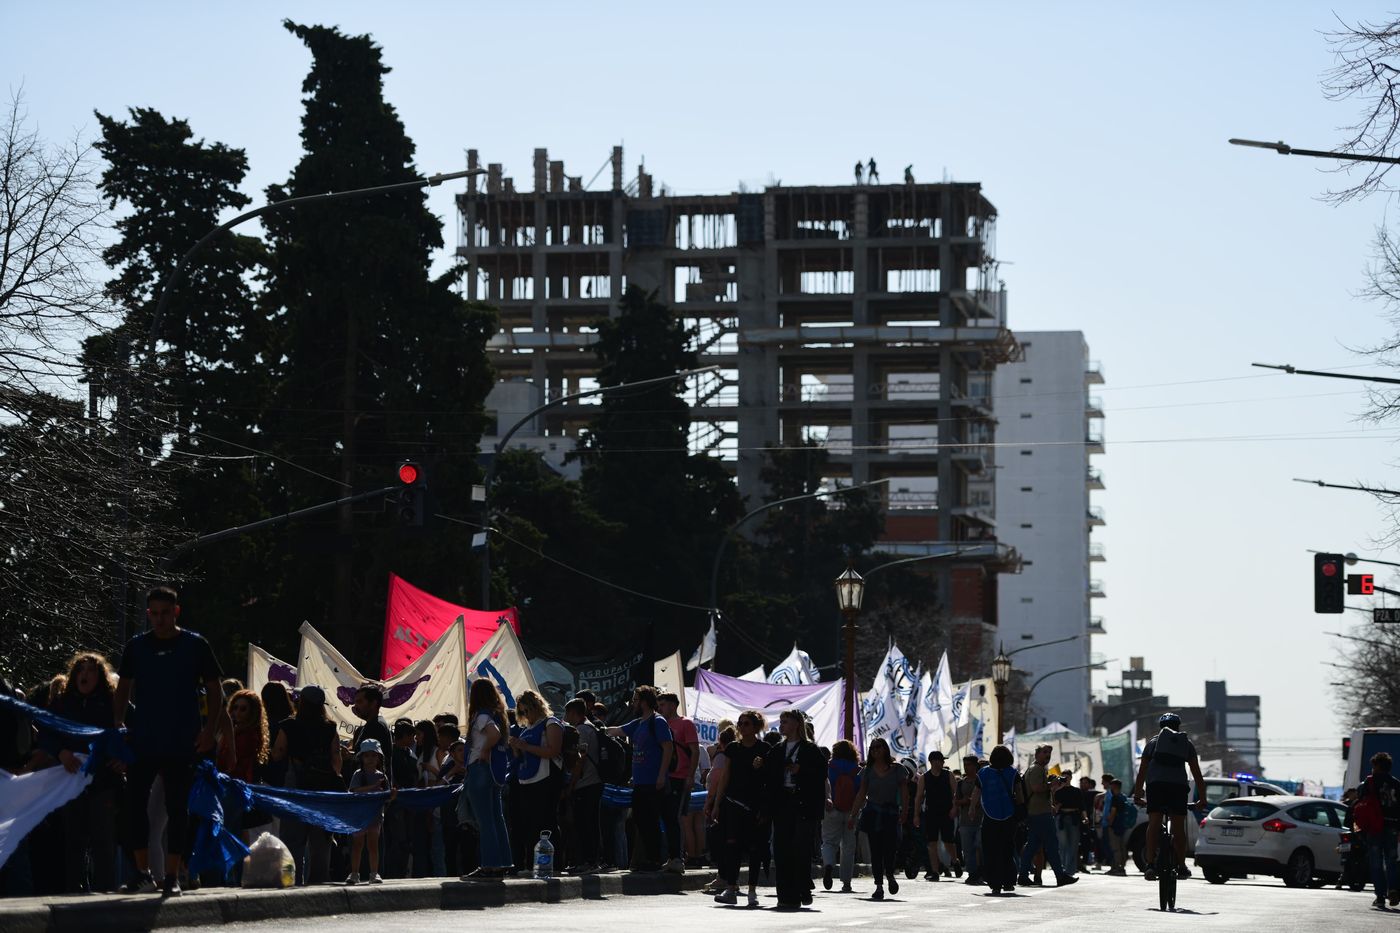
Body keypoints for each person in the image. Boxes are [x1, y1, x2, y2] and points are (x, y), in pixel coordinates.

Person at [113, 585, 227, 897]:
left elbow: (216, 690)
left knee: (178, 808)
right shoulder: (137, 647)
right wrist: (119, 723)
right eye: (154, 614)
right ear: (148, 613)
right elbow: (123, 688)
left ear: (175, 612)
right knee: (133, 806)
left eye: (165, 613)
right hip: (144, 739)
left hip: (182, 741)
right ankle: (142, 872)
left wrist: (209, 731)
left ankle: (174, 875)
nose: (159, 619)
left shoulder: (195, 645)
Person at [32, 652, 123, 892]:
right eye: (81, 670)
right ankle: (73, 891)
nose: (85, 675)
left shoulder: (112, 701)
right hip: (71, 779)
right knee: (74, 837)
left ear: (100, 675)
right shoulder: (63, 702)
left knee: (103, 837)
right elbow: (47, 732)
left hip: (102, 779)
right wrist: (61, 752)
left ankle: (105, 891)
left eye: (91, 670)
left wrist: (123, 758)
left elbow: (129, 732)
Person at [270, 684, 343, 884]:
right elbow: (336, 759)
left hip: (295, 786)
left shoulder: (289, 725)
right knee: (320, 842)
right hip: (322, 790)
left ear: (301, 702)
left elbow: (278, 753)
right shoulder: (330, 728)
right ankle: (318, 883)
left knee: (291, 839)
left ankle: (288, 880)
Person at [1131, 712, 1207, 881]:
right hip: (1178, 788)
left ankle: (1150, 865)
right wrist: (1202, 798)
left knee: (1154, 823)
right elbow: (1197, 775)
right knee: (1178, 827)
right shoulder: (1186, 744)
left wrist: (1137, 794)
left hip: (1156, 787)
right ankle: (1181, 866)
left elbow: (1142, 772)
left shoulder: (1152, 743)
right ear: (1178, 727)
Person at [705, 710, 770, 906]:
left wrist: (763, 766)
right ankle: (731, 888)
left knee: (754, 849)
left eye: (747, 724)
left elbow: (770, 781)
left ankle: (752, 890)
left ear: (756, 727)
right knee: (731, 847)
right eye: (740, 723)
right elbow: (725, 776)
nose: (742, 727)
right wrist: (716, 804)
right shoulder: (733, 748)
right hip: (732, 805)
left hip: (754, 807)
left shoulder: (765, 748)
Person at [607, 686, 674, 873]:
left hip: (654, 781)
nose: (633, 703)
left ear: (644, 701)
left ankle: (655, 859)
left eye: (636, 700)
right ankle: (649, 858)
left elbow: (668, 748)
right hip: (639, 783)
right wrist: (598, 728)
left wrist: (661, 775)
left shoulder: (657, 722)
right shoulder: (638, 723)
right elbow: (617, 731)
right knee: (641, 820)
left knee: (652, 821)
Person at [765, 710, 824, 909]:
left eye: (785, 721)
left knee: (800, 848)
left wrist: (802, 771)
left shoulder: (810, 750)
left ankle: (802, 888)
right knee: (782, 849)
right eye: (780, 721)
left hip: (803, 803)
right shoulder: (776, 750)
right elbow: (769, 774)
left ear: (796, 725)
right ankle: (785, 894)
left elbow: (821, 774)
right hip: (782, 803)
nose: (781, 725)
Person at [508, 690, 564, 872]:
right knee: (529, 823)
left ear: (537, 707)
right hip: (526, 780)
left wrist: (526, 746)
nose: (525, 715)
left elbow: (553, 751)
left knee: (546, 821)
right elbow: (522, 755)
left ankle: (553, 865)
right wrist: (517, 748)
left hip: (546, 778)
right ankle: (533, 864)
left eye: (527, 710)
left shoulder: (551, 723)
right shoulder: (527, 729)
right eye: (521, 712)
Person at [463, 677, 512, 878]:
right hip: (495, 771)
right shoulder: (498, 714)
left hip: (480, 768)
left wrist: (484, 749)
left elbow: (493, 734)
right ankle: (503, 861)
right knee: (496, 818)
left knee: (485, 820)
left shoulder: (481, 716)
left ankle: (489, 864)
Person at [849, 737, 906, 902]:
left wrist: (904, 812)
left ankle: (890, 875)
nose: (875, 750)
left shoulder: (897, 769)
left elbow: (904, 792)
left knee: (890, 848)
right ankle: (879, 886)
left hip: (891, 813)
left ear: (885, 749)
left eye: (878, 747)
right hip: (872, 813)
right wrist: (853, 815)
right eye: (873, 748)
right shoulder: (867, 770)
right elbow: (861, 794)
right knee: (875, 851)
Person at [1016, 744, 1078, 888]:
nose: (1047, 755)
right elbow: (1037, 788)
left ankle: (1024, 875)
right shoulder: (1036, 769)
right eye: (1044, 752)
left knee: (1033, 846)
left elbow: (1040, 792)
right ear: (1037, 754)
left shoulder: (1038, 769)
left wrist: (1052, 787)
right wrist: (1052, 784)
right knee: (1051, 845)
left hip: (1038, 812)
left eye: (1049, 753)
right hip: (1039, 815)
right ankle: (1060, 876)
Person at [970, 744, 1024, 895]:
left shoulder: (983, 772)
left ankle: (995, 883)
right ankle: (1008, 881)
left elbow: (976, 792)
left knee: (991, 851)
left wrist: (972, 808)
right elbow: (1019, 794)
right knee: (1007, 850)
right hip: (1009, 817)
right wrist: (1021, 810)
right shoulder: (1013, 773)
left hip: (989, 816)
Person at [657, 692, 700, 867]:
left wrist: (690, 776)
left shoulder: (686, 723)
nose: (660, 708)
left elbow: (695, 751)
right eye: (658, 705)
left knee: (675, 817)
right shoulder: (660, 724)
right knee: (667, 817)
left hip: (679, 778)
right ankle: (672, 856)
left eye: (663, 705)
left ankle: (677, 858)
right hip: (664, 778)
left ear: (673, 705)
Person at [1354, 750, 1400, 908]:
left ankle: (1380, 895)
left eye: (1373, 767)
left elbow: (1360, 798)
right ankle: (1393, 888)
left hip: (1375, 826)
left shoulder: (1369, 782)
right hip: (1393, 826)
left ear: (1377, 766)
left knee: (1376, 862)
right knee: (1392, 861)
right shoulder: (1396, 783)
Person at [563, 698, 603, 872]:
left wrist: (570, 785)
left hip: (586, 784)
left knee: (585, 823)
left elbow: (580, 760)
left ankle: (588, 862)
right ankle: (590, 861)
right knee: (590, 823)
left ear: (574, 713)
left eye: (567, 713)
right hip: (593, 783)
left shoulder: (581, 730)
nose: (565, 717)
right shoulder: (590, 728)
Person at [346, 739, 389, 884]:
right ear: (361, 758)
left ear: (378, 758)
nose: (370, 759)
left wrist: (392, 795)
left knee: (373, 845)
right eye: (367, 756)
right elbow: (354, 791)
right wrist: (373, 787)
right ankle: (354, 873)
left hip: (375, 816)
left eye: (373, 755)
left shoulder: (382, 776)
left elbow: (386, 796)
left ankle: (374, 873)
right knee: (357, 845)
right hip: (359, 816)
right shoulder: (358, 774)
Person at [820, 738, 860, 894]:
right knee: (848, 847)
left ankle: (829, 864)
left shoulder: (829, 767)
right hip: (851, 811)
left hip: (831, 808)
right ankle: (846, 882)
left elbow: (823, 785)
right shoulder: (856, 769)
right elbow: (861, 792)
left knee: (829, 841)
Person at [913, 750, 956, 881]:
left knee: (948, 842)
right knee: (932, 843)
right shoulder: (924, 777)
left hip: (947, 813)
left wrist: (955, 808)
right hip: (931, 813)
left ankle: (955, 861)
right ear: (933, 761)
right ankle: (935, 871)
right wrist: (916, 815)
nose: (943, 762)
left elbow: (955, 794)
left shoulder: (949, 775)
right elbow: (919, 797)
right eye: (941, 760)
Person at [955, 754, 983, 885]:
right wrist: (964, 801)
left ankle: (981, 872)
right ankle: (972, 873)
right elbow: (956, 801)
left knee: (980, 847)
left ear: (975, 765)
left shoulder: (982, 780)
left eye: (969, 765)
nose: (967, 768)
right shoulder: (961, 783)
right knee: (967, 850)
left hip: (981, 821)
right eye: (965, 765)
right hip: (965, 822)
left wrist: (974, 801)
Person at [1052, 771, 1083, 877]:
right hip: (1061, 818)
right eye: (1063, 777)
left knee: (1073, 845)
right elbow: (1054, 808)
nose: (1065, 778)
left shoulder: (1077, 791)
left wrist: (1085, 817)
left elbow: (1082, 806)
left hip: (1074, 817)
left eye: (1067, 777)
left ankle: (1070, 869)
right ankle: (1064, 867)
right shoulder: (1057, 792)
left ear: (1071, 777)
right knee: (1063, 844)